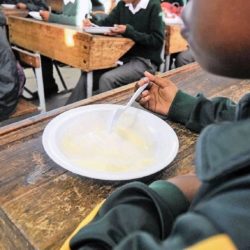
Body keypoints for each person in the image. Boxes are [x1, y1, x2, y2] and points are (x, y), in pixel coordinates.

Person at [65, 0, 250, 249]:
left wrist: (167, 195)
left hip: (142, 61)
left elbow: (154, 41)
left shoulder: (234, 217)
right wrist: (186, 106)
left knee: (107, 79)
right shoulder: (121, 6)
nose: (184, 10)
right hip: (123, 59)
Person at [66, 0, 164, 104]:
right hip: (121, 56)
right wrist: (92, 24)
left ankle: (107, 116)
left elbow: (157, 40)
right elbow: (106, 23)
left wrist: (129, 32)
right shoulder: (122, 5)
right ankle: (69, 111)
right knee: (88, 74)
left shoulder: (154, 6)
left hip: (145, 61)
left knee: (107, 79)